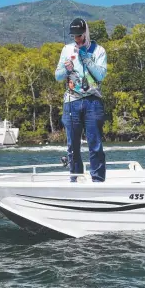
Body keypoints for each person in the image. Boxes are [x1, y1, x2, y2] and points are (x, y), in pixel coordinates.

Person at [55, 18, 107, 182]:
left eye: (79, 35)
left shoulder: (99, 50)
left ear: (86, 33)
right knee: (72, 145)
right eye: (74, 36)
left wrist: (86, 60)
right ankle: (75, 178)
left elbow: (100, 75)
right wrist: (66, 68)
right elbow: (57, 76)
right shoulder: (66, 49)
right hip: (72, 101)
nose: (77, 39)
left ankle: (97, 180)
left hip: (93, 101)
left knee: (95, 143)